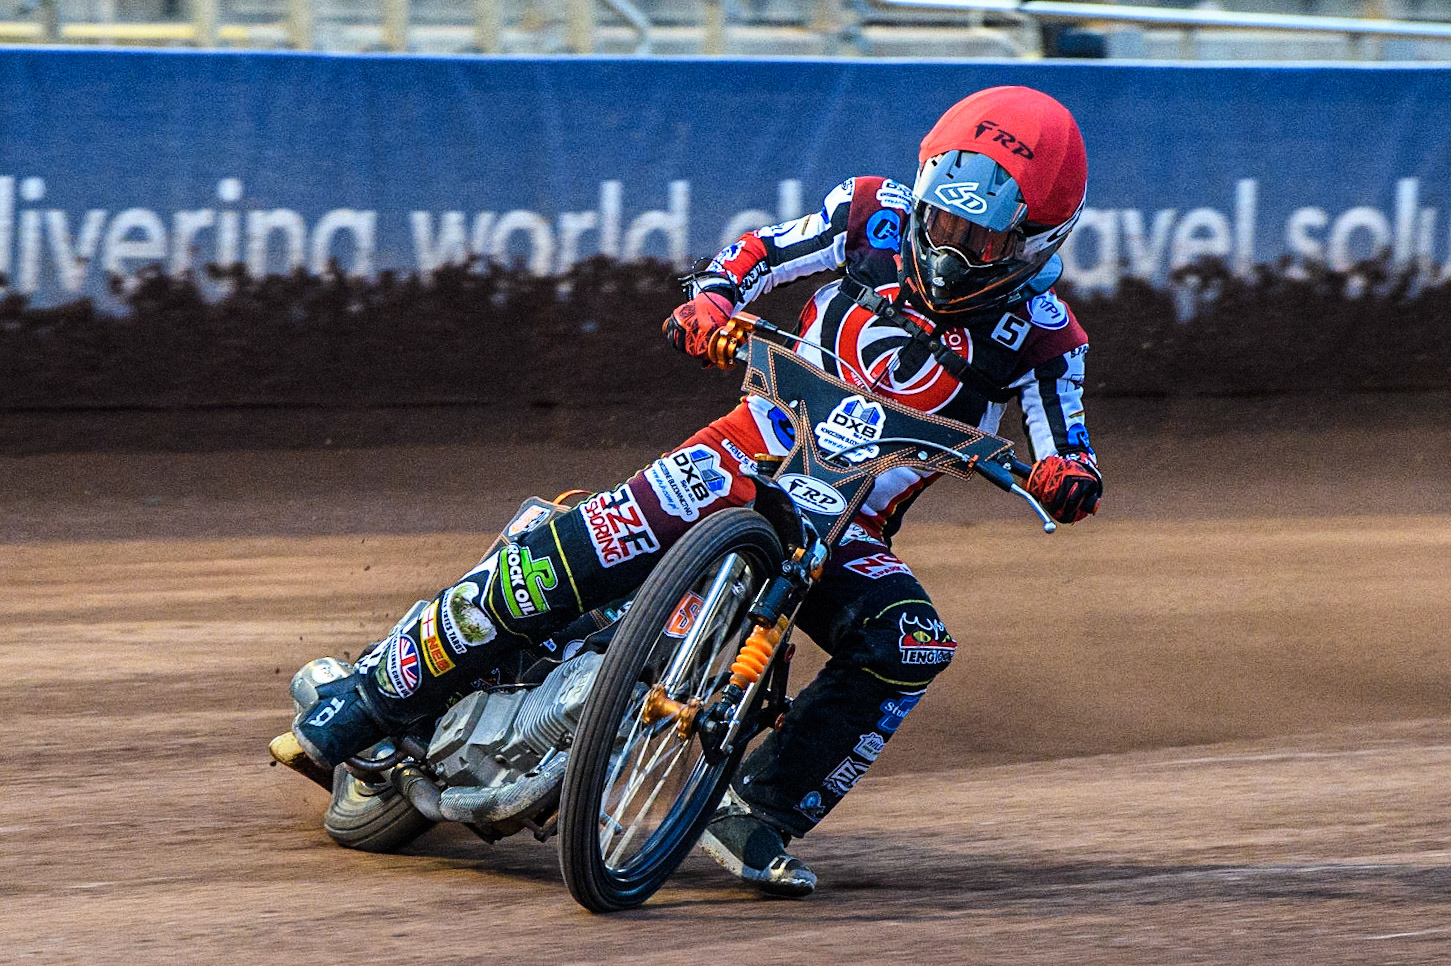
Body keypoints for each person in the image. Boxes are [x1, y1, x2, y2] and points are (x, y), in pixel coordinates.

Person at [286, 85, 1102, 898]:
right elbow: (760, 253)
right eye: (943, 220)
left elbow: (1069, 440)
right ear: (921, 188)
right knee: (590, 540)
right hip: (747, 448)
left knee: (911, 642)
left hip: (847, 525)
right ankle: (371, 695)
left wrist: (1067, 476)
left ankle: (759, 811)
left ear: (1036, 242)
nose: (950, 248)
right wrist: (712, 298)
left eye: (980, 237)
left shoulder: (1045, 336)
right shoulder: (868, 214)